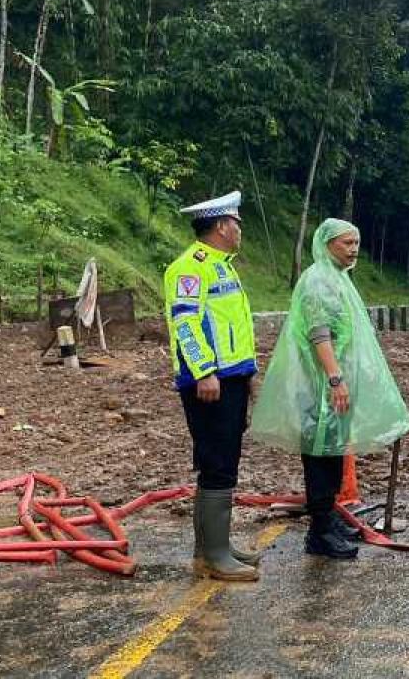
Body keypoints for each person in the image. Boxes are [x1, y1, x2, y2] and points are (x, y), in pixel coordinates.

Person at [251, 219, 409, 559]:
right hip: (321, 387)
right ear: (327, 244)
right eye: (346, 243)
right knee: (319, 456)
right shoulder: (318, 281)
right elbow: (319, 333)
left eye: (356, 243)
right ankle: (320, 531)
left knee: (334, 451)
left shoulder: (337, 278)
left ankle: (328, 520)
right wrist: (335, 378)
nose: (353, 249)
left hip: (332, 384)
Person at [164, 191, 260, 582]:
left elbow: (233, 327)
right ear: (221, 225)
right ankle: (215, 555)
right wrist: (203, 371)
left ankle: (212, 546)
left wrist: (249, 371)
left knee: (223, 458)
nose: (239, 230)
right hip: (210, 382)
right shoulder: (190, 268)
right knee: (217, 460)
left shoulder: (223, 267)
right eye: (236, 224)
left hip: (231, 378)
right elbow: (185, 323)